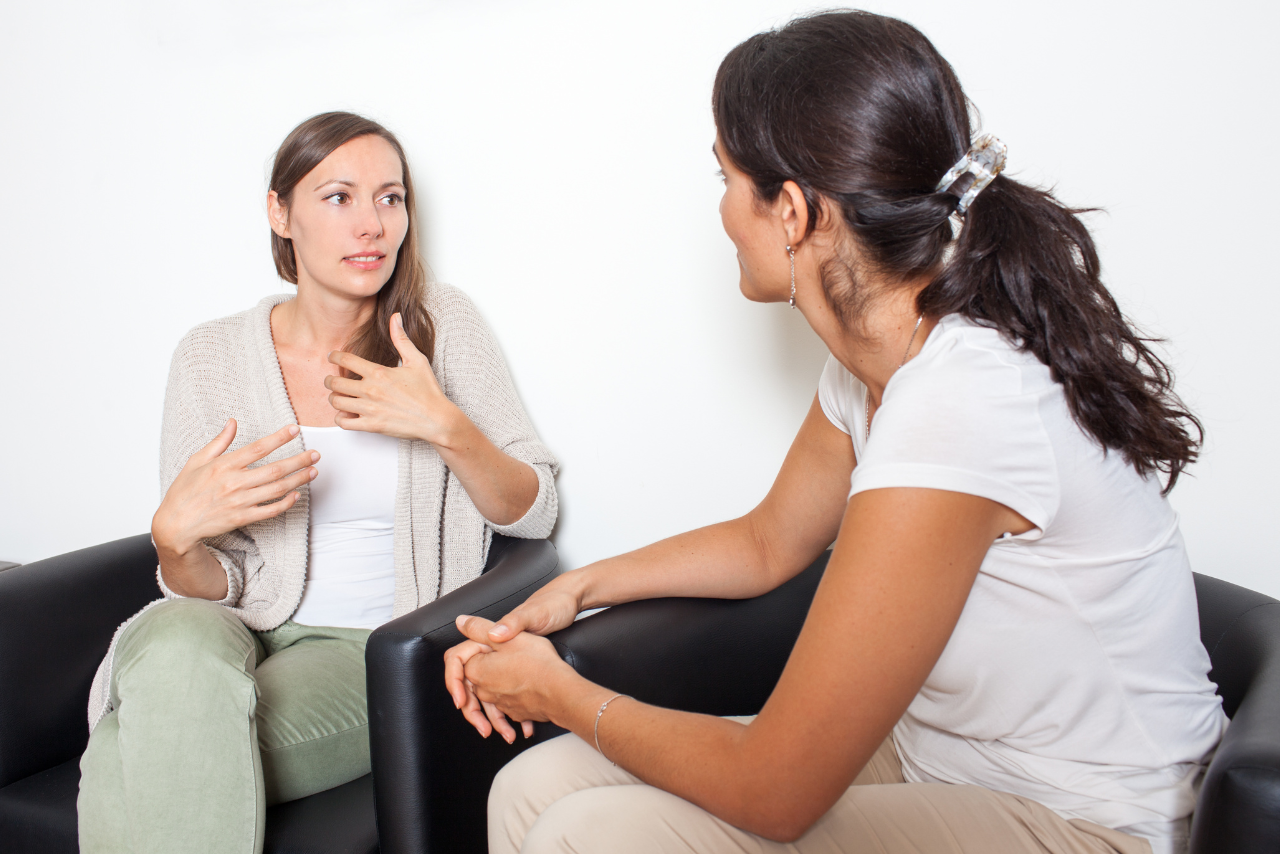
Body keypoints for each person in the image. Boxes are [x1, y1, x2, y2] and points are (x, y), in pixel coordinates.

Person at [443, 12, 1226, 854]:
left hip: (1090, 820)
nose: (721, 214)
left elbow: (774, 792)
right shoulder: (873, 367)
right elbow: (767, 541)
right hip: (947, 766)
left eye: (726, 180)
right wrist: (580, 587)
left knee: (596, 833)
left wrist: (558, 693)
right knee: (535, 787)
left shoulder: (962, 398)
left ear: (791, 211)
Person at [76, 111, 558, 854]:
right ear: (280, 212)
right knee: (170, 643)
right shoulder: (209, 359)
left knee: (138, 746)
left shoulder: (441, 328)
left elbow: (535, 512)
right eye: (339, 197)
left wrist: (445, 426)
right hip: (228, 628)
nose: (371, 224)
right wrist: (173, 543)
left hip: (369, 649)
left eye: (390, 198)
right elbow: (206, 586)